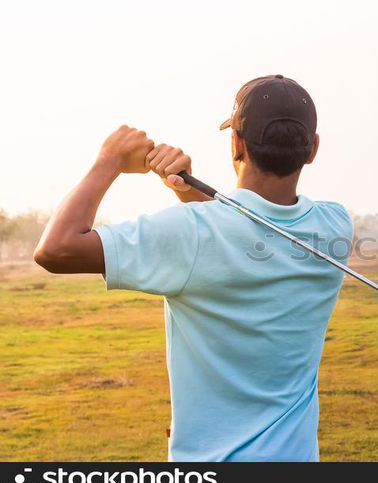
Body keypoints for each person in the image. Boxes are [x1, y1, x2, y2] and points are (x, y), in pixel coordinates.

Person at [34, 75, 353, 461]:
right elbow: (237, 231)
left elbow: (56, 249)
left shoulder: (192, 235)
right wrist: (185, 188)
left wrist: (110, 160)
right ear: (313, 149)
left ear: (235, 143)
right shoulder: (334, 226)